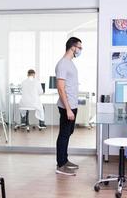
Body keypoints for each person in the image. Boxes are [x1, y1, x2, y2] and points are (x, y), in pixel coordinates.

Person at [55, 37, 82, 176]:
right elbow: (60, 88)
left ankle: (65, 160)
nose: (80, 50)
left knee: (68, 133)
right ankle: (60, 165)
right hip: (67, 106)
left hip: (72, 105)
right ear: (73, 47)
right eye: (79, 48)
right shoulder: (63, 64)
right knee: (64, 134)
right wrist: (68, 109)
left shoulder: (70, 63)